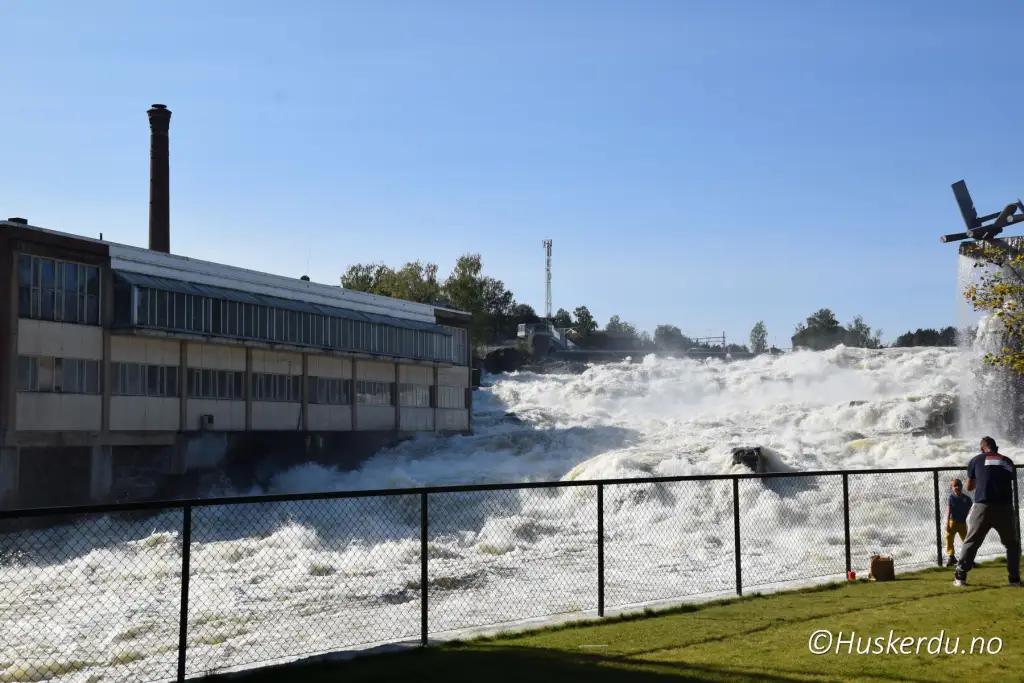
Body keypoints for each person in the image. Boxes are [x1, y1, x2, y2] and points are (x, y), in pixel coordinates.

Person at [954, 437, 1020, 587]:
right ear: (996, 447)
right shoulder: (1008, 461)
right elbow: (1007, 479)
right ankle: (1014, 579)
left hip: (983, 506)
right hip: (1005, 507)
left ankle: (960, 576)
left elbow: (970, 487)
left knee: (971, 542)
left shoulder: (976, 460)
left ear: (982, 448)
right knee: (1011, 544)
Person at [945, 478, 972, 567]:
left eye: (959, 485)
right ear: (951, 488)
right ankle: (951, 556)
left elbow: (971, 510)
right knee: (949, 538)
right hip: (953, 522)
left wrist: (970, 521)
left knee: (967, 541)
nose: (957, 487)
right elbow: (949, 510)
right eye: (955, 486)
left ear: (962, 486)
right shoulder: (951, 497)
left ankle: (968, 558)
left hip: (963, 523)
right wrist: (947, 522)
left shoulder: (967, 499)